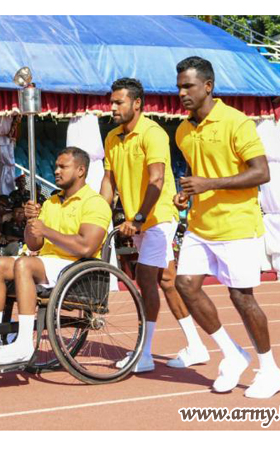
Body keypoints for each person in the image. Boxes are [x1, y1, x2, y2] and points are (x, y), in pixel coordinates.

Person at [173, 56, 280, 399]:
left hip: (237, 225)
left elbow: (261, 173)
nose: (182, 93)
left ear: (208, 86)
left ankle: (271, 370)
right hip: (200, 224)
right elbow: (200, 173)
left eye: (188, 86)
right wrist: (187, 192)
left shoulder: (237, 123)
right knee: (185, 285)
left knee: (241, 297)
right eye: (179, 87)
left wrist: (210, 184)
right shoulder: (182, 130)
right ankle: (232, 352)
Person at [100, 77, 208, 373]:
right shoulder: (112, 138)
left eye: (118, 102)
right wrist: (97, 216)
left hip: (159, 217)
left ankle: (143, 354)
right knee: (167, 281)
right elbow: (108, 182)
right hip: (138, 220)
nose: (112, 107)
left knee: (146, 278)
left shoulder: (153, 133)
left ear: (136, 103)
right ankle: (196, 346)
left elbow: (157, 180)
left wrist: (137, 219)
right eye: (112, 102)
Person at [0, 147, 111, 364]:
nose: (56, 171)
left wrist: (46, 230)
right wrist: (30, 223)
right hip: (47, 262)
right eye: (56, 167)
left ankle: (23, 342)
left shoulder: (95, 202)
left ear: (81, 170)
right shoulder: (51, 202)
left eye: (63, 167)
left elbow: (86, 247)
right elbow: (35, 243)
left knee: (24, 264)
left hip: (77, 266)